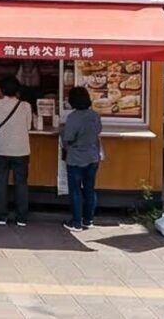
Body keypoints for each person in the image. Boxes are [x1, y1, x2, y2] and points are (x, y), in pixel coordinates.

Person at [0, 75, 33, 226]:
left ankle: (1, 216)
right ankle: (21, 217)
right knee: (21, 183)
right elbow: (28, 126)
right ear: (18, 90)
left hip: (1, 148)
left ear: (1, 90)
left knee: (0, 182)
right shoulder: (26, 106)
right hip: (21, 149)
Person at [59, 84, 102, 231]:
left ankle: (76, 222)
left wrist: (62, 132)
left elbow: (68, 138)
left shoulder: (73, 117)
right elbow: (98, 132)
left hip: (76, 158)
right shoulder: (95, 115)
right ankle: (88, 220)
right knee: (90, 189)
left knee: (75, 190)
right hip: (93, 156)